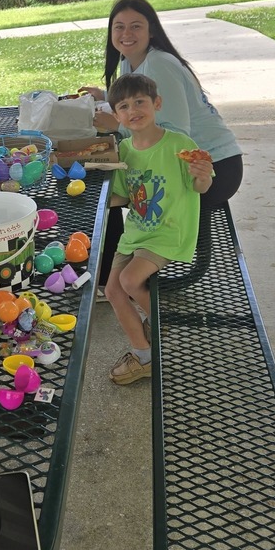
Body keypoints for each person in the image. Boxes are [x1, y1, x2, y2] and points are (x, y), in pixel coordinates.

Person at [79, 0, 243, 287]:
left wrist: (118, 124)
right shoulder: (133, 62)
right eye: (119, 27)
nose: (126, 34)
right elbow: (141, 104)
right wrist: (107, 99)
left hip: (211, 169)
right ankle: (114, 270)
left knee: (112, 186)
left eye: (135, 26)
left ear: (151, 30)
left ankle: (112, 278)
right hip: (191, 164)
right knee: (109, 179)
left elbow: (176, 135)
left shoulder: (159, 64)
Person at [104, 74, 213, 386]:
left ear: (157, 104)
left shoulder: (180, 144)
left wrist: (203, 175)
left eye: (140, 101)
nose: (133, 109)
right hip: (137, 230)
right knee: (112, 290)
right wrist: (90, 193)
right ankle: (145, 349)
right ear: (116, 116)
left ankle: (154, 333)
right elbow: (124, 195)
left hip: (169, 231)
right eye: (124, 106)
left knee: (128, 280)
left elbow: (200, 186)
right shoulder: (124, 150)